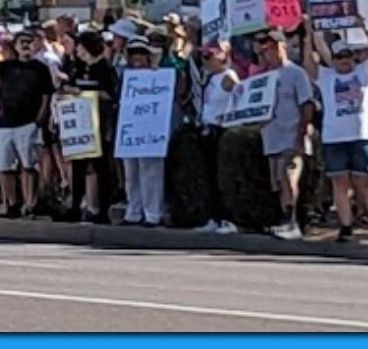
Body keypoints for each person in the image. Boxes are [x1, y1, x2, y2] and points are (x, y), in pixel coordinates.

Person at [307, 24, 368, 242]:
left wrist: (367, 29)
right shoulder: (326, 76)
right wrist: (310, 33)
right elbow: (309, 62)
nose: (344, 60)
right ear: (333, 59)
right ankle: (346, 226)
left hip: (363, 137)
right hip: (335, 138)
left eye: (347, 56)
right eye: (339, 56)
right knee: (340, 182)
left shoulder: (363, 73)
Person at [252, 28, 319, 240]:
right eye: (264, 50)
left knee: (288, 178)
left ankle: (292, 223)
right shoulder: (264, 77)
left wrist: (301, 135)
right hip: (272, 138)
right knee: (279, 182)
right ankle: (284, 220)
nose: (267, 53)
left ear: (282, 47)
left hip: (291, 138)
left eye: (271, 48)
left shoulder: (295, 73)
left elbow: (307, 105)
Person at [0, 27, 56, 219]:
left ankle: (30, 204)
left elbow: (46, 97)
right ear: (15, 46)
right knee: (4, 166)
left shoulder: (41, 69)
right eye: (22, 42)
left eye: (29, 41)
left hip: (28, 124)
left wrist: (38, 121)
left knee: (29, 166)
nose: (26, 45)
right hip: (6, 124)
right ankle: (11, 204)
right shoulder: (7, 67)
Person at [182, 37, 240, 234]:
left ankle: (228, 219)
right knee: (209, 177)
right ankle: (213, 217)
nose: (205, 60)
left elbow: (241, 96)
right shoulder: (210, 78)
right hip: (206, 128)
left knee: (222, 177)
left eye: (209, 56)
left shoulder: (228, 76)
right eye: (203, 56)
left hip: (221, 130)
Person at [62, 30, 119, 224]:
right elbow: (67, 86)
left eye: (79, 46)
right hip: (79, 124)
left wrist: (87, 93)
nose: (76, 50)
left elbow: (110, 95)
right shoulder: (77, 67)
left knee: (101, 169)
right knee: (78, 168)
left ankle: (102, 210)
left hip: (98, 124)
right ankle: (75, 206)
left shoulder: (104, 68)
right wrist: (70, 90)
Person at [118, 38, 172, 228]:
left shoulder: (158, 77)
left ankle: (152, 213)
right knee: (131, 173)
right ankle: (133, 211)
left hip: (151, 130)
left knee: (151, 172)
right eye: (133, 54)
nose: (137, 57)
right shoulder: (125, 77)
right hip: (131, 129)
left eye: (141, 53)